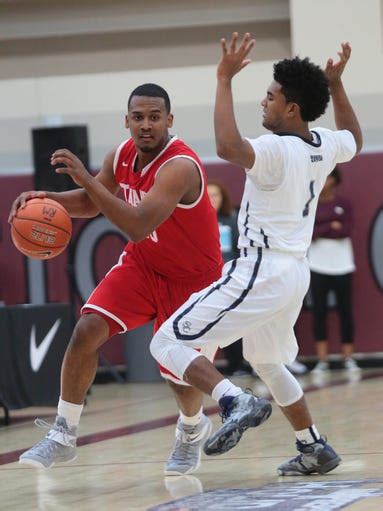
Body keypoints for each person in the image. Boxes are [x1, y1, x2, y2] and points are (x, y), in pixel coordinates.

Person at [150, 33, 362, 476]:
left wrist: (224, 79)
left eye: (269, 97)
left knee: (166, 340)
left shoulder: (273, 149)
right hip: (294, 273)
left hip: (261, 268)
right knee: (267, 360)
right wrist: (337, 85)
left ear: (291, 109)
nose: (263, 104)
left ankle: (233, 399)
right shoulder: (322, 143)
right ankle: (314, 446)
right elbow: (354, 140)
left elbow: (228, 147)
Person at [9, 83, 224, 475]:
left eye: (154, 117)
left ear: (169, 121)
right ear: (126, 121)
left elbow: (138, 224)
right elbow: (91, 203)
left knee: (178, 376)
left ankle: (192, 427)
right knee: (86, 330)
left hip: (194, 279)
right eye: (138, 117)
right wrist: (46, 198)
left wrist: (86, 179)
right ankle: (63, 433)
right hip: (145, 264)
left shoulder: (180, 166)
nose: (146, 125)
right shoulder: (121, 155)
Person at [308, 166, 359, 372]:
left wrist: (321, 228)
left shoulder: (343, 203)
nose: (325, 181)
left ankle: (348, 358)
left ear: (335, 179)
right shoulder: (309, 204)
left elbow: (346, 230)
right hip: (317, 266)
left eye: (328, 176)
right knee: (319, 312)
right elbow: (308, 232)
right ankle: (323, 360)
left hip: (343, 266)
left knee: (345, 311)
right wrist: (331, 225)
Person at [207, 179, 252, 376]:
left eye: (215, 195)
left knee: (238, 321)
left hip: (233, 278)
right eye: (207, 196)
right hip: (208, 281)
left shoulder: (232, 219)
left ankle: (244, 363)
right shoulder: (197, 221)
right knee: (219, 323)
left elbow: (241, 249)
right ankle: (232, 364)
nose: (212, 199)